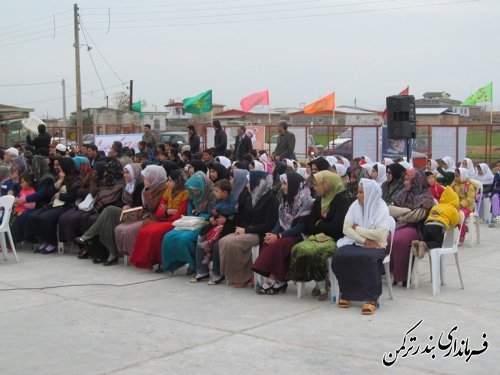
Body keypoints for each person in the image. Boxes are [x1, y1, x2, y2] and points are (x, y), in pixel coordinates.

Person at [331, 179, 390, 315]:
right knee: (340, 256)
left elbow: (381, 234)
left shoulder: (382, 208)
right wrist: (364, 241)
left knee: (367, 258)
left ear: (370, 194)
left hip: (377, 246)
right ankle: (346, 293)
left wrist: (357, 228)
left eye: (361, 192)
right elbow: (346, 228)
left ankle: (371, 298)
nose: (357, 195)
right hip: (356, 242)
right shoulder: (355, 206)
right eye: (358, 192)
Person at [287, 171, 350, 300]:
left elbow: (337, 227)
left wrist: (319, 223)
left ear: (326, 184)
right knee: (298, 249)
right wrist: (323, 226)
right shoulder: (319, 201)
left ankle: (322, 286)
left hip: (335, 239)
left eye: (316, 185)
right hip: (317, 237)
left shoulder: (342, 201)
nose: (314, 188)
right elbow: (310, 225)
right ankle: (319, 280)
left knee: (317, 252)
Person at [251, 172, 313, 295]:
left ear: (294, 184)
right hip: (287, 233)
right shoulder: (286, 200)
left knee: (279, 243)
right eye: (282, 183)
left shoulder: (305, 200)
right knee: (268, 241)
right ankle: (279, 279)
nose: (282, 186)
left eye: (285, 183)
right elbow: (280, 223)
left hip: (301, 235)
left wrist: (278, 236)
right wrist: (272, 234)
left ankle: (274, 278)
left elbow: (300, 227)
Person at [218, 171, 279, 287]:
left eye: (249, 182)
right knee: (223, 241)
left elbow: (269, 225)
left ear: (257, 183)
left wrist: (246, 230)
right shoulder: (252, 197)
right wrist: (242, 229)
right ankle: (231, 274)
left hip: (260, 233)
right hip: (249, 230)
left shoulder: (271, 200)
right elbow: (247, 218)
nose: (247, 185)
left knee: (233, 244)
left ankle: (243, 276)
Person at [75, 163, 144, 264]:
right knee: (107, 221)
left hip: (135, 215)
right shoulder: (125, 185)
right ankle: (112, 254)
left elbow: (140, 206)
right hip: (124, 212)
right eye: (124, 172)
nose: (125, 175)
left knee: (109, 210)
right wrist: (124, 206)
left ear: (135, 173)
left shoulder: (140, 186)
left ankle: (89, 235)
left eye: (128, 173)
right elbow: (119, 201)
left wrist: (129, 207)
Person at [129, 169, 189, 270]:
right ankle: (154, 260)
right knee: (145, 231)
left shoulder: (185, 193)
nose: (167, 183)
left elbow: (180, 214)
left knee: (154, 233)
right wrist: (168, 212)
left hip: (176, 222)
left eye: (170, 181)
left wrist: (166, 213)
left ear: (177, 182)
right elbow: (159, 213)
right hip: (165, 220)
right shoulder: (168, 191)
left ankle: (162, 261)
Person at [200, 169, 252, 285]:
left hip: (235, 227)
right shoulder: (233, 194)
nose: (230, 180)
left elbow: (241, 217)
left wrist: (227, 219)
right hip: (223, 223)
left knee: (218, 243)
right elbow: (214, 209)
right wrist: (212, 218)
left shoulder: (244, 197)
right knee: (201, 236)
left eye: (232, 178)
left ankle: (218, 273)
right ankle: (201, 270)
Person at [161, 171, 215, 273]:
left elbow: (211, 215)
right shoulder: (191, 196)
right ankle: (173, 263)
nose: (195, 193)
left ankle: (193, 264)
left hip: (205, 224)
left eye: (197, 191)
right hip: (190, 223)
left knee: (185, 239)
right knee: (168, 236)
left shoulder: (211, 196)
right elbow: (189, 212)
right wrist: (194, 216)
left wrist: (199, 216)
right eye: (193, 190)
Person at [25, 157, 82, 254]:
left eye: (59, 165)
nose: (57, 167)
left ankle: (52, 243)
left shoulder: (76, 178)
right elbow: (49, 192)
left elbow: (72, 196)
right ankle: (43, 240)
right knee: (33, 216)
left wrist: (59, 195)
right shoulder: (59, 177)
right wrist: (60, 181)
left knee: (46, 218)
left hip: (68, 205)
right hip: (55, 204)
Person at [113, 165, 167, 265]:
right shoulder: (146, 188)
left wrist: (147, 190)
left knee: (128, 231)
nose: (144, 180)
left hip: (155, 218)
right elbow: (143, 206)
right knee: (119, 228)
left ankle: (136, 256)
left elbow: (151, 206)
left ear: (154, 177)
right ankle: (128, 254)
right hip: (144, 215)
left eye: (147, 177)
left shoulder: (162, 189)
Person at [389, 168, 434, 286]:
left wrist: (400, 215)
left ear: (416, 181)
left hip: (417, 228)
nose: (405, 182)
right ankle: (390, 273)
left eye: (408, 180)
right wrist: (406, 211)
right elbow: (390, 209)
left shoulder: (426, 196)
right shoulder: (403, 193)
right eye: (405, 179)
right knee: (387, 237)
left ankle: (403, 276)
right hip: (400, 225)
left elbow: (417, 216)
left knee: (399, 240)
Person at [197, 179, 236, 269]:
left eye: (217, 191)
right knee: (202, 236)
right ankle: (201, 270)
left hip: (227, 225)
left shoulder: (232, 199)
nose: (215, 193)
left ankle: (216, 271)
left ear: (225, 193)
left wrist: (218, 209)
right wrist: (211, 216)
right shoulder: (217, 199)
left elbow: (233, 209)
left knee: (216, 239)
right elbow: (212, 208)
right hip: (216, 222)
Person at [412, 186, 460, 258]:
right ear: (455, 200)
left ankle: (418, 243)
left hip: (427, 224)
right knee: (438, 243)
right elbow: (456, 221)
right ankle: (425, 245)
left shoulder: (437, 206)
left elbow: (430, 213)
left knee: (428, 239)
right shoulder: (452, 208)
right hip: (438, 225)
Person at [451, 167, 477, 245]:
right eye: (455, 176)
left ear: (463, 175)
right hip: (457, 205)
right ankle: (463, 228)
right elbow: (450, 193)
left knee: (460, 214)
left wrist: (461, 205)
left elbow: (470, 199)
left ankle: (461, 236)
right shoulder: (454, 183)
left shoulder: (469, 186)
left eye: (458, 176)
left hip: (467, 207)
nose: (456, 178)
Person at [10, 173, 36, 244]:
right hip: (16, 210)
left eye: (22, 182)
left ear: (29, 182)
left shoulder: (33, 192)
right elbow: (15, 200)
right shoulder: (21, 191)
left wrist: (22, 203)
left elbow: (32, 205)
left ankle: (10, 245)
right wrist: (15, 202)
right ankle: (4, 243)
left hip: (23, 211)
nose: (20, 184)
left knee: (13, 224)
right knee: (7, 221)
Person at [490, 160, 500, 227]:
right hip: (497, 192)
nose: (498, 167)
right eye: (497, 166)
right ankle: (495, 217)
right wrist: (492, 194)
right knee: (494, 197)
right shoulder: (496, 175)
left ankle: (496, 218)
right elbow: (493, 186)